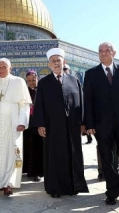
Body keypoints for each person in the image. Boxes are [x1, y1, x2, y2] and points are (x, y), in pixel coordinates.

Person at [84, 42, 119, 206]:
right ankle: (113, 191)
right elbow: (88, 101)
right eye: (100, 51)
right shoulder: (91, 74)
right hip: (102, 125)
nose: (103, 53)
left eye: (107, 50)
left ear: (113, 53)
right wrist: (89, 123)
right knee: (107, 161)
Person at [32, 48, 88, 198]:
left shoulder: (74, 80)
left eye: (58, 60)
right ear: (49, 64)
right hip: (53, 127)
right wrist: (40, 124)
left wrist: (83, 122)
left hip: (72, 127)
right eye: (53, 61)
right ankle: (55, 188)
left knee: (73, 155)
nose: (56, 63)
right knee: (55, 157)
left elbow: (81, 102)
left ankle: (73, 186)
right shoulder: (44, 83)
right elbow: (39, 106)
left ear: (64, 62)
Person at [0, 58, 31, 196]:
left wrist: (23, 121)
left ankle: (9, 183)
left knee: (13, 152)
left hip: (13, 121)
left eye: (4, 67)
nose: (1, 69)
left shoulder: (19, 82)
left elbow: (24, 104)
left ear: (10, 68)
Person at [23, 70, 44, 182]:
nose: (31, 83)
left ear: (37, 79)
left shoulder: (42, 90)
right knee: (27, 147)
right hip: (27, 124)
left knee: (38, 149)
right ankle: (27, 169)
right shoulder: (24, 91)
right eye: (29, 81)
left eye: (33, 80)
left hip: (39, 123)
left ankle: (37, 172)